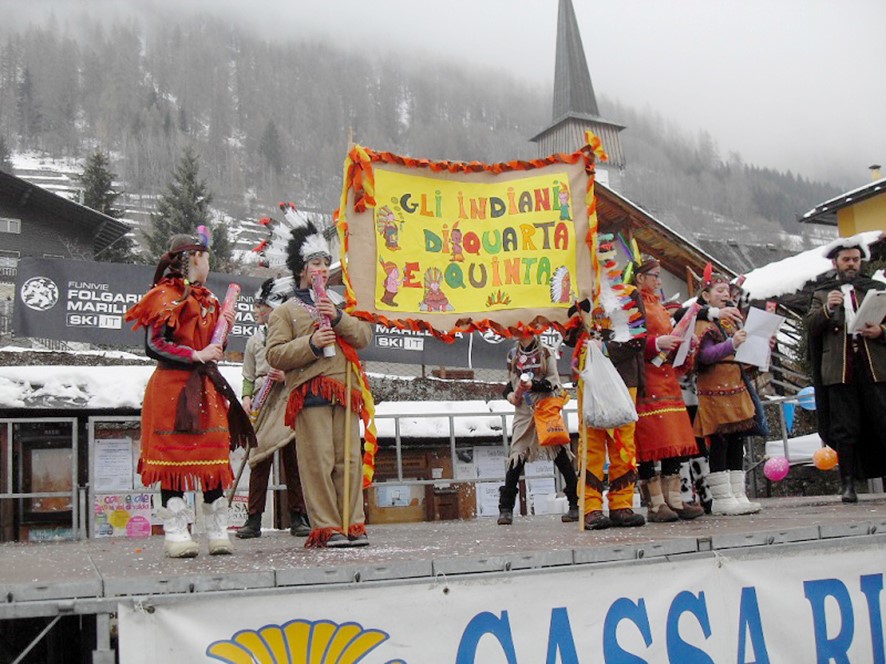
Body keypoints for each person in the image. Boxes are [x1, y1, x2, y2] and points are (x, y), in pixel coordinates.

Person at [125, 230, 255, 558]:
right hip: (172, 389)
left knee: (212, 459)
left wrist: (222, 335)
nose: (209, 263)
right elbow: (154, 345)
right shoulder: (165, 295)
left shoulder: (209, 299)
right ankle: (176, 533)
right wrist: (195, 355)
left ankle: (217, 531)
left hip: (205, 387)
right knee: (173, 463)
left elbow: (213, 347)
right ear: (195, 257)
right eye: (207, 257)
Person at [265, 218, 374, 548]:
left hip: (346, 390)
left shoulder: (342, 303)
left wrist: (338, 318)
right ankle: (327, 526)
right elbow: (275, 355)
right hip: (310, 392)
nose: (323, 270)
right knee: (319, 462)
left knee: (349, 461)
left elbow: (364, 337)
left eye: (327, 263)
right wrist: (311, 344)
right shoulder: (284, 311)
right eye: (316, 263)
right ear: (302, 269)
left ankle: (352, 522)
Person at [805, 234, 886, 503]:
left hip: (874, 368)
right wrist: (828, 309)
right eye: (846, 259)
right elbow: (812, 326)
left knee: (882, 421)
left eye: (855, 259)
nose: (851, 264)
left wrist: (880, 330)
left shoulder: (875, 289)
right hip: (839, 371)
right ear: (836, 262)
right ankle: (848, 484)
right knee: (844, 429)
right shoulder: (822, 293)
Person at [236, 278, 310, 539]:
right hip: (262, 402)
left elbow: (303, 365)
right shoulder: (254, 340)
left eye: (261, 305)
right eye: (256, 306)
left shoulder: (292, 333)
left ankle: (298, 516)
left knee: (293, 458)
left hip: (286, 399)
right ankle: (253, 517)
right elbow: (247, 374)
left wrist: (286, 377)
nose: (256, 310)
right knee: (259, 459)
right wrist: (246, 397)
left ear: (274, 307)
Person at [632, 256, 704, 522]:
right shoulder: (633, 302)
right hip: (647, 379)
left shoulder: (657, 304)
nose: (660, 281)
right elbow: (629, 340)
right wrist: (656, 342)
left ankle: (675, 499)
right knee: (651, 442)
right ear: (640, 278)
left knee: (674, 440)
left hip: (666, 377)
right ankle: (655, 503)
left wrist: (685, 342)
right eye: (655, 276)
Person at [572, 293, 647, 530]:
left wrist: (605, 347)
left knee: (623, 444)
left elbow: (639, 338)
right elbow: (569, 336)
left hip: (623, 380)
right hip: (590, 378)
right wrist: (576, 322)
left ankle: (621, 504)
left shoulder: (627, 292)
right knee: (591, 444)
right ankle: (590, 507)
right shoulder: (580, 293)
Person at [693, 268, 761, 516]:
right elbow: (705, 355)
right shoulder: (704, 322)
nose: (725, 295)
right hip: (714, 389)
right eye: (719, 291)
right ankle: (722, 498)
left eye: (727, 291)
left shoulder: (732, 320)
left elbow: (741, 356)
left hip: (736, 385)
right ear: (706, 295)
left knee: (737, 441)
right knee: (720, 441)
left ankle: (738, 494)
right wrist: (733, 343)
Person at [497, 331, 579, 525]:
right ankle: (506, 509)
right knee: (516, 456)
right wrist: (512, 396)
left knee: (559, 454)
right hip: (524, 413)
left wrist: (532, 385)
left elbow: (553, 383)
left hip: (544, 410)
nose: (516, 332)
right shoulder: (512, 355)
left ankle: (575, 504)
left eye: (521, 328)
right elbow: (509, 385)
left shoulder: (547, 353)